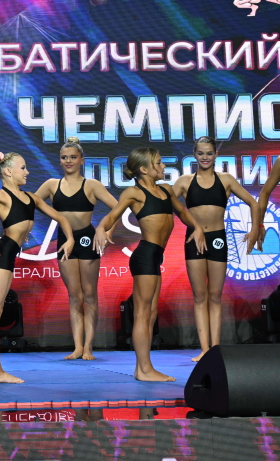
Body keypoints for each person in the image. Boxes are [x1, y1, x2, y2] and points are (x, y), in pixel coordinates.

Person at [96, 147, 206, 381]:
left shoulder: (166, 190)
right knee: (143, 314)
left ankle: (143, 368)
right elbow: (112, 216)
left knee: (151, 313)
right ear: (144, 169)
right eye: (158, 163)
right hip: (145, 255)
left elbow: (183, 213)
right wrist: (100, 229)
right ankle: (145, 369)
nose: (163, 166)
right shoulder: (133, 193)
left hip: (156, 256)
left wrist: (196, 228)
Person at [0, 151, 74, 384]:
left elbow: (62, 218)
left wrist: (70, 239)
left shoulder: (31, 198)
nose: (27, 172)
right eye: (23, 168)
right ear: (8, 171)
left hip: (9, 256)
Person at [30, 137, 119, 361]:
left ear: (82, 160)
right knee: (74, 295)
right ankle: (77, 347)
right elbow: (28, 204)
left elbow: (118, 208)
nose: (68, 161)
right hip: (65, 241)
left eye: (73, 157)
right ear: (60, 160)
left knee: (89, 294)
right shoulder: (52, 185)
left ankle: (88, 347)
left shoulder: (92, 185)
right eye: (64, 157)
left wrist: (108, 231)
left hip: (88, 240)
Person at [173, 137, 259, 362]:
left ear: (215, 155)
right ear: (194, 155)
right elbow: (167, 204)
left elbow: (253, 203)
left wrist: (254, 230)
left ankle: (216, 349)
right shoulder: (184, 181)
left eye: (209, 153)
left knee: (215, 296)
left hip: (218, 239)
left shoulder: (226, 180)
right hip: (194, 239)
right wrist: (192, 225)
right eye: (201, 153)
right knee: (199, 296)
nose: (205, 157)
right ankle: (204, 349)